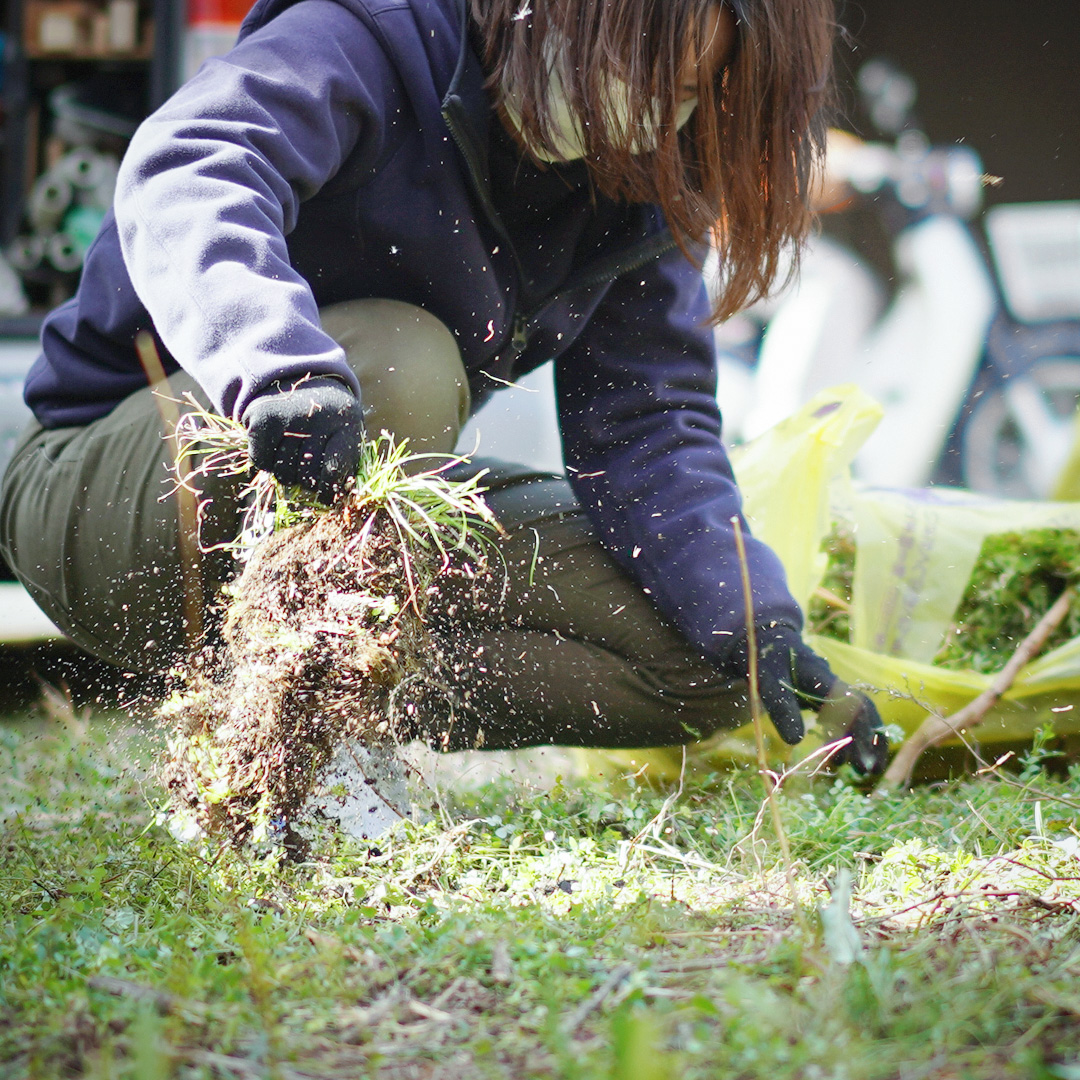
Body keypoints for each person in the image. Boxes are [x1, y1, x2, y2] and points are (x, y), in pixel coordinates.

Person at [0, 0, 888, 771]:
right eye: (643, 75)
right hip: (107, 493)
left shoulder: (639, 180)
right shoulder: (372, 36)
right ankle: (315, 749)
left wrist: (752, 617)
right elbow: (190, 164)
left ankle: (334, 700)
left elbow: (652, 427)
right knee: (403, 362)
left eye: (689, 94)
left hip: (352, 507)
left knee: (702, 657)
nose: (656, 120)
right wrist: (275, 365)